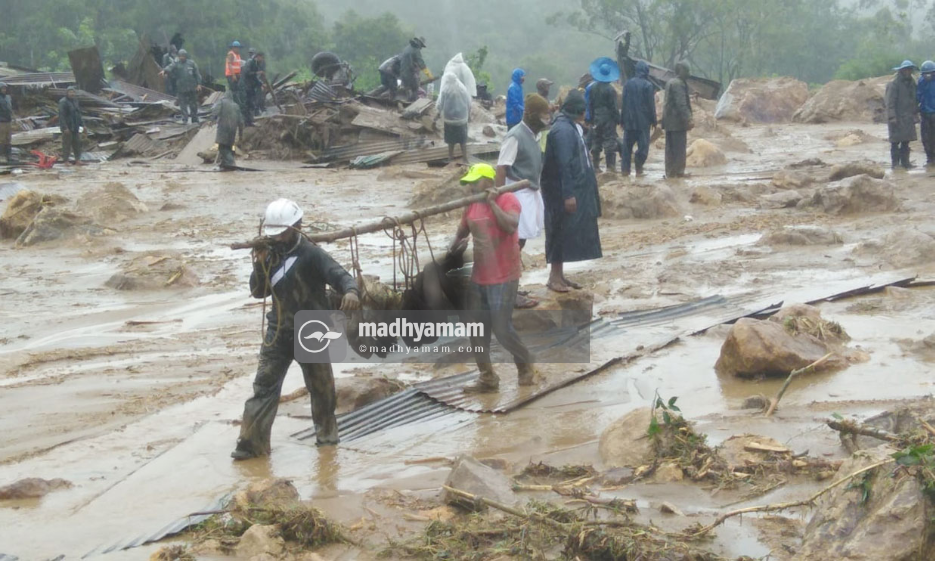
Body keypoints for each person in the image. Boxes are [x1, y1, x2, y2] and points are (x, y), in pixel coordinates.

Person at [232, 198, 361, 459]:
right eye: (274, 234)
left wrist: (351, 292)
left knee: (322, 389)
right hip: (277, 333)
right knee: (264, 387)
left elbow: (341, 275)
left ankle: (327, 443)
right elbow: (259, 291)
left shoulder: (311, 254)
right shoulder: (270, 254)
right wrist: (259, 263)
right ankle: (250, 446)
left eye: (282, 233)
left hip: (312, 329)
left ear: (297, 227)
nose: (278, 238)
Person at [449, 164, 536, 393]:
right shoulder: (470, 206)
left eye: (474, 182)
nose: (470, 187)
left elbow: (511, 225)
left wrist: (491, 203)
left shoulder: (508, 199)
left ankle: (525, 363)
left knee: (501, 328)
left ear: (488, 181)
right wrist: (453, 252)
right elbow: (460, 233)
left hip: (504, 274)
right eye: (468, 183)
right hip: (480, 276)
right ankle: (487, 377)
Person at [541, 90, 602, 293]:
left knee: (567, 232)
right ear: (580, 112)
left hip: (572, 189)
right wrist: (568, 194)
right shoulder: (563, 131)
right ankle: (554, 278)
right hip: (560, 193)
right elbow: (564, 165)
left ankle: (559, 275)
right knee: (559, 231)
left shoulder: (570, 127)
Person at [496, 94, 552, 309]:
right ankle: (508, 293)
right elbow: (501, 167)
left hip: (530, 193)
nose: (546, 119)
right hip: (516, 193)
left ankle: (511, 288)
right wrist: (502, 199)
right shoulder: (516, 136)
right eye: (543, 115)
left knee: (519, 243)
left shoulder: (534, 135)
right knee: (513, 244)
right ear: (530, 115)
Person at [620, 60, 657, 176]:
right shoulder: (648, 85)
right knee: (643, 147)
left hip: (629, 121)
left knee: (626, 148)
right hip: (643, 122)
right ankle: (638, 167)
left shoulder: (627, 84)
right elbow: (651, 105)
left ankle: (625, 171)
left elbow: (623, 103)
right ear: (646, 71)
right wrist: (654, 120)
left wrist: (622, 120)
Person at [588, 57, 621, 172]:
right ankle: (610, 167)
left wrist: (591, 119)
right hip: (608, 118)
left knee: (596, 140)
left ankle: (595, 166)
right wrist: (618, 119)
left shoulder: (592, 88)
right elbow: (613, 107)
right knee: (609, 140)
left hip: (596, 117)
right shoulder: (610, 90)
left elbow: (590, 104)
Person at [661, 61, 693, 179]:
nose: (689, 73)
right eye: (687, 71)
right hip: (677, 122)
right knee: (679, 148)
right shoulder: (679, 84)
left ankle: (670, 173)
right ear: (681, 71)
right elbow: (681, 104)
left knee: (670, 148)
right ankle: (679, 172)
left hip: (669, 121)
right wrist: (688, 119)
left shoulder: (670, 82)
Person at [887, 60, 919, 170]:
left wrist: (915, 114)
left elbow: (914, 100)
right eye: (906, 69)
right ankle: (895, 164)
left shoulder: (912, 83)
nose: (908, 71)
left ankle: (906, 163)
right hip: (896, 118)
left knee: (906, 142)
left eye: (910, 69)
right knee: (895, 142)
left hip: (908, 117)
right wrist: (892, 117)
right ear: (901, 70)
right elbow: (890, 102)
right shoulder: (894, 84)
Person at [435, 72, 471, 163]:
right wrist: (469, 115)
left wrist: (438, 113)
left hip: (449, 120)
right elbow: (469, 102)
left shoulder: (445, 89)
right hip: (462, 120)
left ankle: (450, 158)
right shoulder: (463, 88)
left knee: (451, 140)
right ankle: (465, 158)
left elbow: (440, 104)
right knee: (462, 140)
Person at [161, 49, 202, 124]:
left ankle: (194, 118)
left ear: (186, 56)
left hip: (191, 87)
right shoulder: (176, 63)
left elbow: (197, 74)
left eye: (183, 56)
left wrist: (199, 84)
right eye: (180, 56)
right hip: (181, 87)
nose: (181, 57)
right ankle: (185, 119)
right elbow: (170, 67)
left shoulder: (191, 63)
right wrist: (164, 70)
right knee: (182, 104)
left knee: (193, 104)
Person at [214, 91, 244, 170]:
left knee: (222, 147)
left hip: (223, 128)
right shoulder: (236, 105)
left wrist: (211, 119)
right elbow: (241, 122)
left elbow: (215, 111)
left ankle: (231, 162)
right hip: (232, 130)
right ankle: (225, 164)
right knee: (229, 147)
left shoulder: (221, 102)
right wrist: (241, 135)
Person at [58, 86, 83, 166]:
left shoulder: (75, 101)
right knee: (66, 144)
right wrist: (65, 127)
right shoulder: (63, 102)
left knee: (77, 144)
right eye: (70, 92)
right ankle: (66, 161)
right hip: (67, 127)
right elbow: (61, 115)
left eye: (73, 92)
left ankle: (78, 160)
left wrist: (83, 125)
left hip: (75, 126)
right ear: (67, 93)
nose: (72, 94)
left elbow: (78, 114)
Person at [400, 37, 430, 102]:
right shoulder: (416, 49)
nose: (421, 48)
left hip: (402, 72)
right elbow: (421, 63)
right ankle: (412, 104)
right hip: (409, 73)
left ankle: (407, 102)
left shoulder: (407, 48)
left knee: (408, 88)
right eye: (421, 46)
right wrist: (428, 74)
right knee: (415, 88)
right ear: (419, 43)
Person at [918, 60, 935, 167]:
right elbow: (918, 95)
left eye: (930, 73)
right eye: (925, 73)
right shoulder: (921, 81)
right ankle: (930, 158)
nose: (928, 75)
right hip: (925, 113)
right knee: (926, 137)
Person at [242, 52, 266, 126]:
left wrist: (261, 84)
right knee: (248, 104)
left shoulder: (256, 64)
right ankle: (247, 122)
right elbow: (247, 73)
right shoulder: (250, 62)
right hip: (246, 86)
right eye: (261, 58)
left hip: (251, 86)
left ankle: (250, 121)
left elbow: (255, 78)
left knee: (252, 104)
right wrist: (257, 72)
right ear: (258, 57)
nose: (262, 60)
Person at [225, 41, 246, 118]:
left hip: (237, 75)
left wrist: (239, 74)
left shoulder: (238, 55)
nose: (238, 49)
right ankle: (235, 105)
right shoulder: (231, 54)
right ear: (233, 48)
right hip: (231, 75)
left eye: (238, 48)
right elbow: (230, 64)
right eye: (236, 48)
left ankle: (238, 105)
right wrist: (233, 75)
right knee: (234, 91)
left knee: (238, 90)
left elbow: (238, 65)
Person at [0, 82, 11, 164]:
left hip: (8, 121)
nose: (4, 90)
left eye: (5, 88)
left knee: (8, 139)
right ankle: (1, 156)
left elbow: (10, 109)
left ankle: (8, 156)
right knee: (1, 139)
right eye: (2, 88)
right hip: (1, 121)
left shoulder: (8, 98)